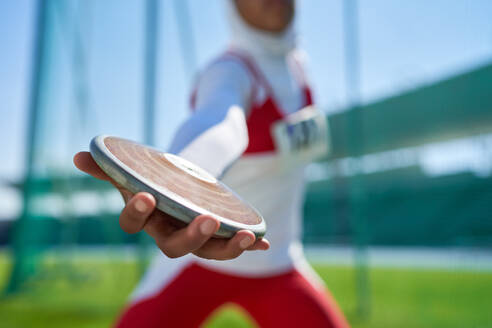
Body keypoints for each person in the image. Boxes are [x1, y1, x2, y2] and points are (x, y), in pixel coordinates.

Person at [74, 0, 349, 327]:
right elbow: (220, 122)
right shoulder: (228, 71)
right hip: (195, 263)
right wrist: (173, 182)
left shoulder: (298, 66)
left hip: (279, 263)